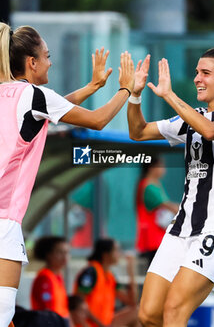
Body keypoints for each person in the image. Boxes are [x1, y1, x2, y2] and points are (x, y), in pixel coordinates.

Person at [0, 21, 134, 326]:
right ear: (32, 63)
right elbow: (97, 120)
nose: (50, 62)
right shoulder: (33, 95)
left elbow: (54, 109)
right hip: (3, 223)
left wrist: (93, 87)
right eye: (47, 56)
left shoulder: (13, 95)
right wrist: (126, 88)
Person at [127, 48, 214, 326]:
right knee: (149, 313)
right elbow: (138, 132)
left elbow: (211, 131)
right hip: (181, 229)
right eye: (197, 72)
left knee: (175, 310)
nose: (197, 78)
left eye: (205, 73)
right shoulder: (192, 116)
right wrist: (135, 94)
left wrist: (169, 95)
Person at [74, 238, 140, 327]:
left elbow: (132, 302)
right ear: (106, 254)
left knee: (137, 312)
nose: (119, 254)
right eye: (116, 250)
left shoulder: (110, 276)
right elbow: (78, 305)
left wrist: (131, 272)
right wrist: (100, 324)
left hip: (106, 323)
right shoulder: (91, 272)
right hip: (91, 324)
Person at [136, 156, 178, 267]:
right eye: (161, 166)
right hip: (152, 238)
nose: (164, 169)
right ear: (152, 168)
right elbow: (167, 205)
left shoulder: (154, 184)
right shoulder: (148, 186)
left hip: (157, 237)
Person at [31, 236, 71, 322]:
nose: (65, 257)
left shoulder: (58, 276)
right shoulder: (44, 278)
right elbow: (47, 309)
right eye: (60, 252)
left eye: (67, 252)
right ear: (48, 254)